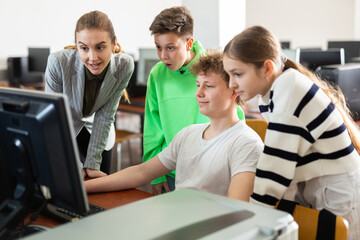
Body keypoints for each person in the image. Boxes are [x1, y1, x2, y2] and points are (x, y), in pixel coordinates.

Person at [223, 25, 360, 239]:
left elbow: (274, 167)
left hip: (336, 189)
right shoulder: (277, 89)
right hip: (319, 185)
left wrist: (253, 217)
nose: (232, 84)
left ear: (267, 68)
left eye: (238, 74)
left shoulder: (288, 92)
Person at [85, 50, 263, 200]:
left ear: (234, 90)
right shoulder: (188, 134)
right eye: (198, 85)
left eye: (208, 86)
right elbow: (141, 173)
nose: (198, 93)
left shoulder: (246, 144)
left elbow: (236, 211)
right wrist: (83, 188)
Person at [143, 6, 245, 195]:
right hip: (170, 169)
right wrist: (155, 175)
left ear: (189, 43)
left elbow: (235, 117)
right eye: (158, 47)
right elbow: (152, 126)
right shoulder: (157, 73)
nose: (163, 55)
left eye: (171, 47)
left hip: (212, 170)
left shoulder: (212, 68)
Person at [45, 10, 134, 178]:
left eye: (100, 47)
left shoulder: (124, 65)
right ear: (77, 45)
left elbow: (105, 115)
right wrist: (74, 163)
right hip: (66, 128)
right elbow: (54, 119)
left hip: (99, 128)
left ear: (114, 43)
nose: (92, 57)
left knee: (98, 184)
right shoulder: (58, 62)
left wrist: (92, 164)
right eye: (84, 48)